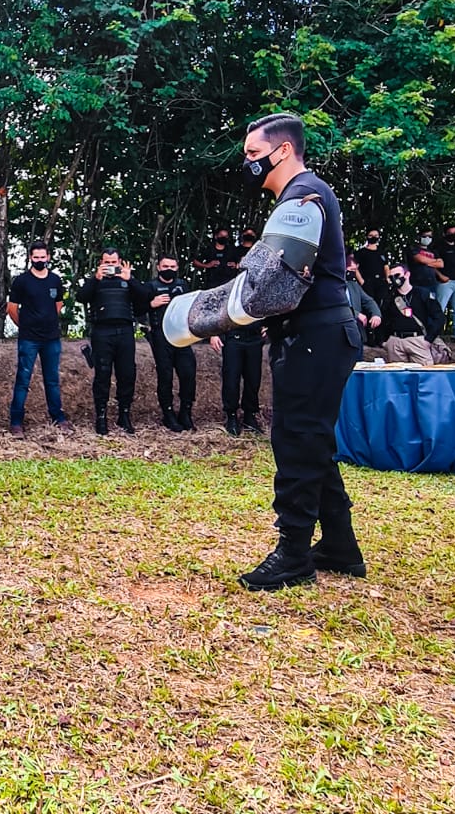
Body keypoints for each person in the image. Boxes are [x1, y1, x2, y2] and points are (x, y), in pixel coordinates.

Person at [162, 112, 365, 590]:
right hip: (314, 336)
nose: (249, 163)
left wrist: (196, 316)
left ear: (285, 151)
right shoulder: (301, 198)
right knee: (312, 440)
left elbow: (268, 290)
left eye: (255, 154)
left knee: (296, 440)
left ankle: (294, 553)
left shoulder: (303, 198)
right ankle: (339, 544)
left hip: (315, 336)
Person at [78, 248, 150, 435]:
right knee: (102, 375)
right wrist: (95, 279)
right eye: (106, 262)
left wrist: (130, 279)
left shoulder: (127, 280)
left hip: (125, 332)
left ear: (120, 262)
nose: (110, 266)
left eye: (113, 262)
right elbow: (81, 297)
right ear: (101, 263)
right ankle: (101, 416)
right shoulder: (96, 281)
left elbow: (145, 296)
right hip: (102, 332)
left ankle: (124, 414)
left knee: (127, 374)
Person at [6, 241, 71, 437]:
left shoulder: (55, 280)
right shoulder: (21, 281)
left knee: (52, 379)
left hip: (51, 338)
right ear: (30, 258)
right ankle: (16, 421)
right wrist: (25, 325)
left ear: (48, 257)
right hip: (29, 339)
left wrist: (47, 321)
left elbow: (58, 305)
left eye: (43, 257)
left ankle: (58, 417)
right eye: (36, 257)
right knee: (23, 380)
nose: (40, 260)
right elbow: (11, 309)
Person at [144, 255, 197, 432]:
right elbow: (137, 308)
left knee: (188, 373)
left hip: (181, 334)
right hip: (161, 335)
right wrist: (151, 304)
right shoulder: (151, 286)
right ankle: (168, 414)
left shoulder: (182, 285)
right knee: (165, 376)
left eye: (173, 266)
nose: (169, 269)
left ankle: (185, 412)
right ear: (158, 267)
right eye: (165, 266)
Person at [209, 321, 265, 436]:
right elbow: (217, 306)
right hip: (232, 336)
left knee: (253, 378)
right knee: (231, 378)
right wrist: (214, 333)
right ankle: (231, 416)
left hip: (254, 336)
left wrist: (267, 324)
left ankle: (249, 416)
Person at [381, 264, 444, 364]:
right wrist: (385, 341)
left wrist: (428, 339)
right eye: (391, 277)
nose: (394, 279)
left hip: (418, 340)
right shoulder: (389, 297)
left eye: (397, 275)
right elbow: (383, 318)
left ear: (407, 275)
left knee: (425, 376)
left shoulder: (423, 293)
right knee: (398, 378)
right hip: (395, 341)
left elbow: (439, 317)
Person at [344, 254, 381, 360]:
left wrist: (376, 315)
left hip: (357, 334)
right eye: (351, 270)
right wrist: (356, 314)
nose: (353, 273)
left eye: (355, 270)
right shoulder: (333, 286)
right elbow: (335, 306)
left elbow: (369, 301)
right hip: (340, 334)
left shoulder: (354, 286)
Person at [353, 228, 389, 308]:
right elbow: (355, 268)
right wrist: (362, 282)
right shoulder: (361, 252)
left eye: (376, 235)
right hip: (368, 282)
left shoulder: (382, 251)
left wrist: (387, 279)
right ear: (367, 236)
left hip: (381, 282)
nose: (373, 237)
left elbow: (386, 266)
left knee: (383, 304)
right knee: (370, 304)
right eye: (371, 235)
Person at [409, 228, 443, 300]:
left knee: (430, 305)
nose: (427, 238)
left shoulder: (433, 251)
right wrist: (435, 261)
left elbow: (441, 264)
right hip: (417, 283)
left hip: (432, 284)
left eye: (430, 236)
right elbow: (420, 259)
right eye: (425, 236)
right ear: (419, 237)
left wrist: (426, 262)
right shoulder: (413, 248)